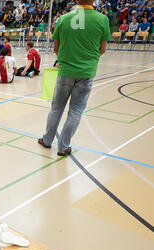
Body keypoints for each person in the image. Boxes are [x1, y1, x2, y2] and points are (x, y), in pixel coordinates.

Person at [39, 0, 110, 157]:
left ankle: (47, 140)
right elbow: (102, 49)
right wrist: (87, 61)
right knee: (76, 110)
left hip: (65, 71)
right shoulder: (102, 19)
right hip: (86, 73)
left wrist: (67, 60)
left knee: (56, 108)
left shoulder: (63, 19)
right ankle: (63, 147)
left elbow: (56, 48)